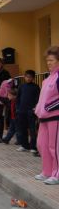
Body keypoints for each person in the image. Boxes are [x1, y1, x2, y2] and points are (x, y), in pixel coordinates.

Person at [34, 46, 59, 184]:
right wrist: (38, 108)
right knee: (41, 144)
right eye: (47, 60)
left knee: (54, 147)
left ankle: (56, 174)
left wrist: (48, 108)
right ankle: (47, 171)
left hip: (55, 118)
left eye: (52, 60)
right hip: (43, 118)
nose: (49, 63)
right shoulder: (47, 78)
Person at [16, 70, 40, 153]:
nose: (28, 78)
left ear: (33, 78)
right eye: (27, 77)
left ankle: (33, 147)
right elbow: (18, 98)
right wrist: (18, 108)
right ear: (24, 77)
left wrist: (35, 108)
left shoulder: (36, 87)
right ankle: (24, 145)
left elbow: (38, 99)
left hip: (31, 112)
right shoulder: (21, 87)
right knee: (23, 129)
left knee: (32, 130)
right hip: (21, 111)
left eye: (30, 77)